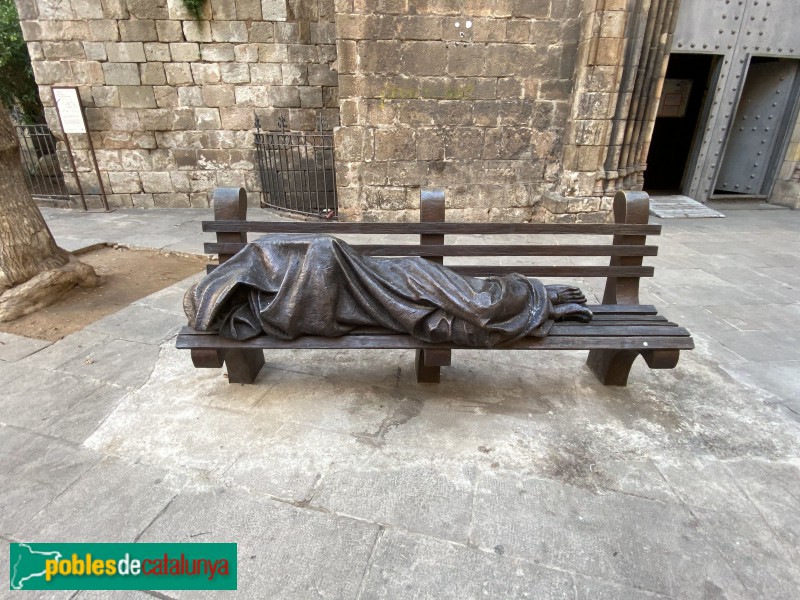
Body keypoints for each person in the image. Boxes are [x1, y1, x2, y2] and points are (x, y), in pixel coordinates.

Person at [185, 235, 592, 348]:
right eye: (224, 309)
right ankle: (544, 309)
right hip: (374, 307)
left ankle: (535, 297)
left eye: (222, 300)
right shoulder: (268, 313)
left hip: (391, 276)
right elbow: (309, 320)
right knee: (439, 324)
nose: (230, 308)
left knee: (473, 300)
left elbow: (327, 251)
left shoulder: (266, 255)